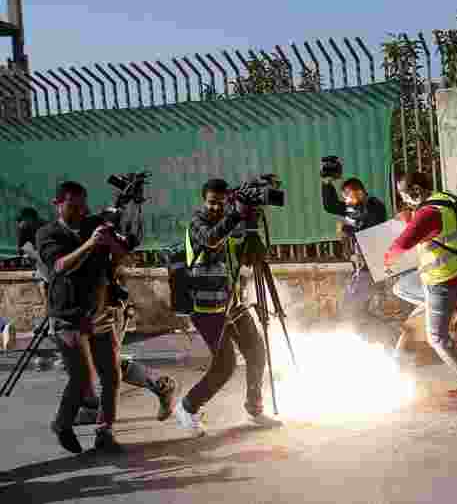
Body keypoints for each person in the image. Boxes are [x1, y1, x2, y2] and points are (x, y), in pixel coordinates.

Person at [20, 206, 179, 425]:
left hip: (104, 309)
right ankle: (103, 403)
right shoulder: (68, 243)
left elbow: (60, 276)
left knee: (98, 362)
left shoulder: (68, 245)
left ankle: (152, 387)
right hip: (87, 311)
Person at [173, 178, 281, 436]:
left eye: (221, 203)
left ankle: (254, 408)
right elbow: (211, 239)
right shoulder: (197, 223)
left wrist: (252, 226)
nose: (216, 208)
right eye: (212, 203)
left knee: (257, 352)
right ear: (204, 201)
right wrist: (236, 215)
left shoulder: (232, 222)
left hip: (232, 301)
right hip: (206, 308)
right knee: (225, 365)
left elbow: (248, 257)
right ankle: (187, 407)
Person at [36, 181, 129, 454]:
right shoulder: (47, 233)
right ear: (57, 204)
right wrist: (90, 243)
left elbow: (122, 257)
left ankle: (105, 431)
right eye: (72, 206)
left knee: (111, 375)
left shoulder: (95, 224)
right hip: (67, 315)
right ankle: (62, 424)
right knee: (81, 378)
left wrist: (112, 242)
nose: (79, 211)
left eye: (82, 206)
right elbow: (59, 266)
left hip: (99, 311)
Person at [384, 172, 457, 398]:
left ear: (417, 191)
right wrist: (409, 219)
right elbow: (429, 231)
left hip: (442, 277)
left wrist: (387, 258)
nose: (404, 200)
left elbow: (402, 244)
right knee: (403, 288)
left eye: (404, 195)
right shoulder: (442, 200)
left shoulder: (427, 213)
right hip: (452, 272)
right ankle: (449, 309)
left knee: (437, 338)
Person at [321, 170, 388, 321]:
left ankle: (379, 332)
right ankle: (375, 331)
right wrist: (327, 182)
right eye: (344, 196)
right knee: (359, 308)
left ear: (359, 192)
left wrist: (345, 229)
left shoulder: (374, 206)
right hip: (363, 266)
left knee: (351, 305)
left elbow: (369, 231)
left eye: (347, 195)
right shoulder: (353, 208)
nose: (345, 200)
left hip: (373, 267)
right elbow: (330, 206)